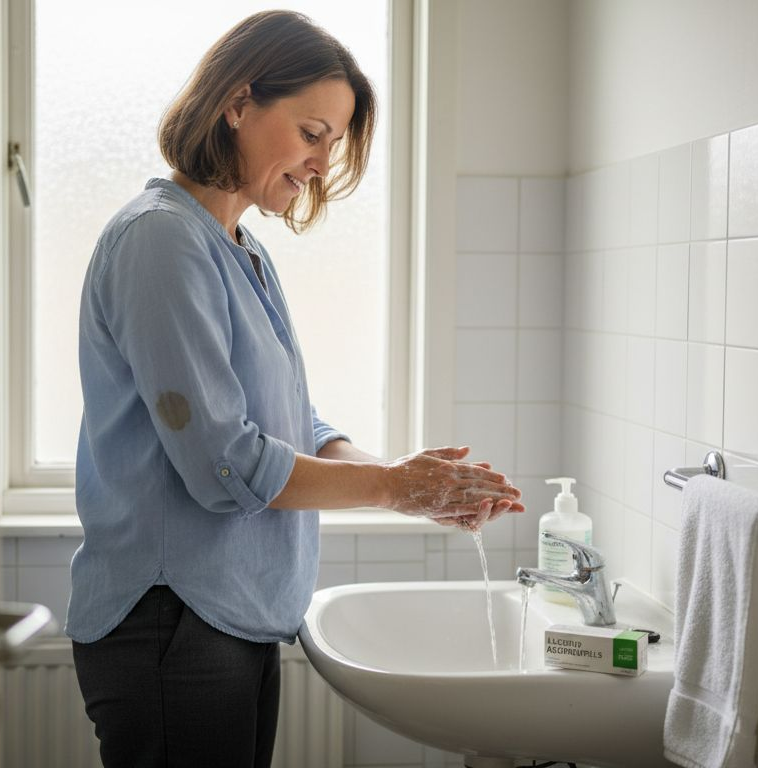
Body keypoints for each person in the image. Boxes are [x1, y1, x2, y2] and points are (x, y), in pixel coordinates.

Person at [68, 10, 524, 766]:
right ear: (238, 103)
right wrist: (390, 488)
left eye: (332, 144)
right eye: (312, 133)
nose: (321, 163)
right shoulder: (160, 240)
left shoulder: (241, 252)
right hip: (171, 621)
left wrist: (421, 482)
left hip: (229, 617)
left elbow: (294, 426)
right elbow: (225, 461)